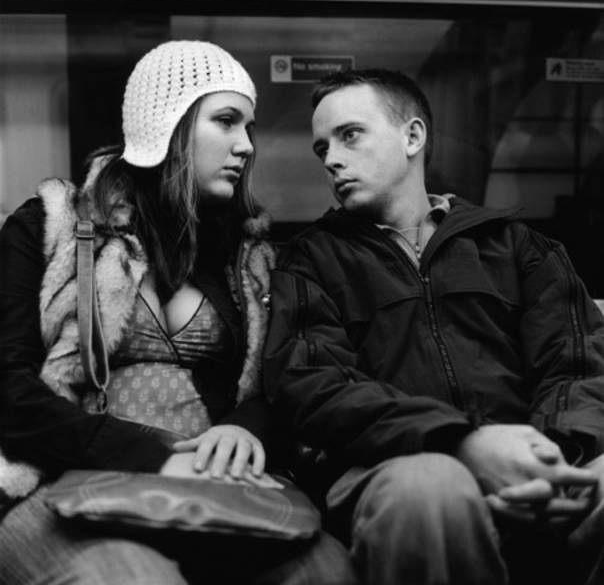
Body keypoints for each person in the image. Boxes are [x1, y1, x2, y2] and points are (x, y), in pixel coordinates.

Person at [0, 40, 357, 585]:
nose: (246, 146)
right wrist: (152, 455)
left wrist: (244, 430)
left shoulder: (249, 258)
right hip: (58, 476)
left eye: (250, 128)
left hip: (211, 487)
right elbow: (8, 387)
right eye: (226, 121)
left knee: (324, 571)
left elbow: (280, 384)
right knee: (132, 576)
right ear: (167, 123)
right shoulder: (53, 226)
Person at [263, 68, 604, 585]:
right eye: (321, 148)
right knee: (431, 487)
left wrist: (551, 456)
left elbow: (577, 363)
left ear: (413, 137)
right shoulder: (311, 261)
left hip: (532, 458)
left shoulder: (515, 246)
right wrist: (459, 443)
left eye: (350, 135)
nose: (331, 159)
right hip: (394, 465)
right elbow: (315, 388)